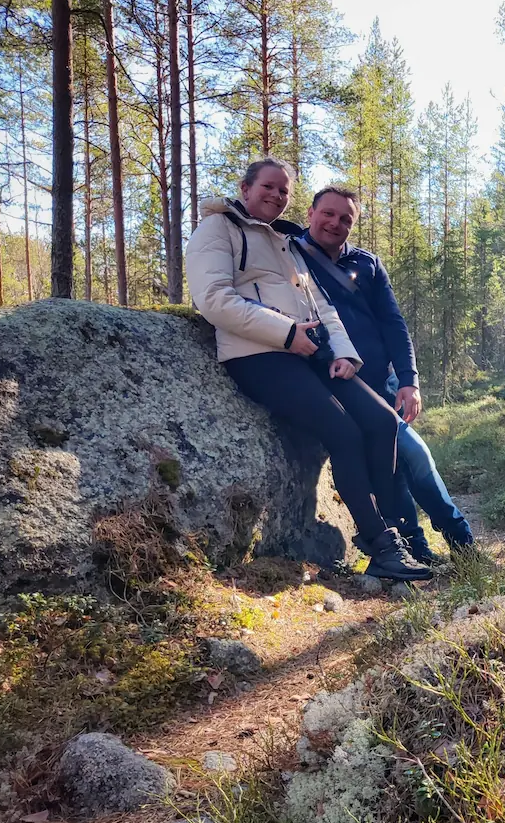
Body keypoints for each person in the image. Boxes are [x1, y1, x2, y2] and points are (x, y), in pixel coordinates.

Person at [185, 156, 432, 582]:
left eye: (284, 190)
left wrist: (343, 354)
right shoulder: (216, 229)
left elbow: (321, 305)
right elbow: (214, 301)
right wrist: (285, 334)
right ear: (245, 189)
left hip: (310, 352)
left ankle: (391, 530)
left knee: (381, 422)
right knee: (343, 431)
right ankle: (381, 545)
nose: (276, 195)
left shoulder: (284, 241)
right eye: (268, 187)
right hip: (258, 356)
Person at [293, 185, 474, 565]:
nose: (335, 223)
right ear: (310, 213)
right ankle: (439, 544)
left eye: (346, 218)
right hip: (338, 380)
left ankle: (451, 543)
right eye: (328, 213)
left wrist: (409, 380)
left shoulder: (368, 264)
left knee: (409, 461)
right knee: (412, 455)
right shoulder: (289, 255)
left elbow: (393, 323)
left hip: (384, 380)